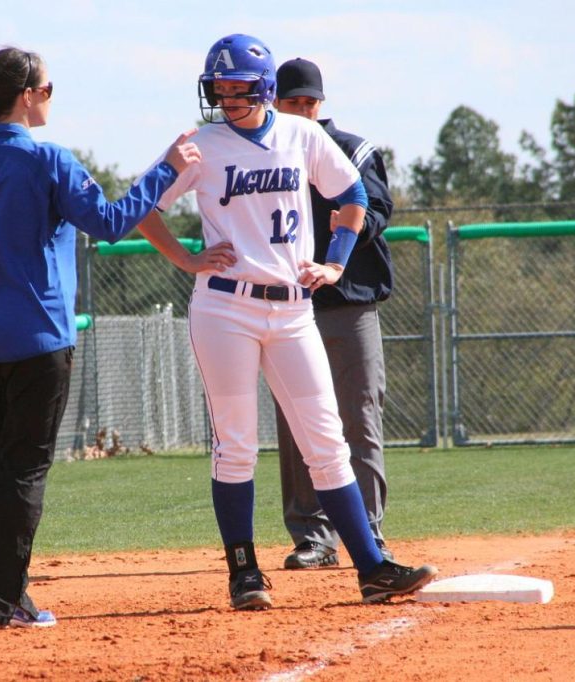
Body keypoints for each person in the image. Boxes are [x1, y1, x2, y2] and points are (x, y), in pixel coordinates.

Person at [137, 34, 436, 610]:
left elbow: (352, 195)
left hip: (294, 306)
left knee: (327, 442)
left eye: (239, 88)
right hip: (225, 305)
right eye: (219, 88)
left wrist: (336, 262)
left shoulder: (302, 134)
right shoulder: (201, 145)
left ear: (266, 88)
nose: (227, 97)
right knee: (237, 444)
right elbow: (145, 207)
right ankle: (244, 574)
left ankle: (371, 568)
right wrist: (185, 259)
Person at [0, 46, 200, 629]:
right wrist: (169, 167)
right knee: (19, 470)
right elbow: (113, 223)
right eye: (47, 89)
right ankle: (0, 602)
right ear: (27, 96)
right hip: (36, 342)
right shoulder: (47, 160)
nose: (49, 98)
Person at [272, 58, 396, 571]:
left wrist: (345, 232)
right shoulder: (265, 151)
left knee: (358, 415)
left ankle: (368, 532)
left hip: (349, 300)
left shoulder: (351, 148)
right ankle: (313, 536)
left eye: (309, 101)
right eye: (292, 101)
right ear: (274, 101)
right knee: (296, 423)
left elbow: (380, 207)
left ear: (320, 103)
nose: (302, 109)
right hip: (288, 306)